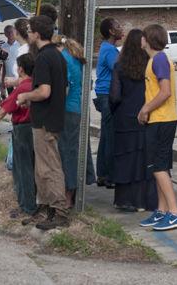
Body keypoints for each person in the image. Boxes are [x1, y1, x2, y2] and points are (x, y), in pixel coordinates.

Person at [17, 15, 68, 231]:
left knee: (50, 168)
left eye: (29, 30)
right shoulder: (56, 55)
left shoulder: (45, 58)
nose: (27, 34)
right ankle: (47, 209)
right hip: (49, 118)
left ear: (37, 34)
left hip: (46, 122)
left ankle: (60, 212)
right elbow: (61, 89)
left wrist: (26, 97)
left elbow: (45, 91)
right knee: (42, 169)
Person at [138, 24, 177, 231]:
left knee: (158, 167)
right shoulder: (155, 60)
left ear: (148, 39)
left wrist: (145, 109)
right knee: (159, 167)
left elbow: (165, 91)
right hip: (161, 119)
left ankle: (175, 212)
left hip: (161, 119)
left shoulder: (158, 59)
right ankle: (162, 210)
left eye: (142, 36)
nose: (141, 40)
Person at [0, 54, 37, 218]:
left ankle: (27, 206)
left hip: (22, 128)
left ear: (20, 69)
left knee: (22, 169)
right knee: (33, 167)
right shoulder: (37, 85)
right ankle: (33, 202)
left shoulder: (23, 88)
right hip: (36, 128)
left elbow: (4, 109)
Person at [109, 29, 157, 212]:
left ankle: (126, 200)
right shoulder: (150, 65)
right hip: (146, 116)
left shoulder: (119, 66)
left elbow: (114, 96)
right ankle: (146, 201)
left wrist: (114, 112)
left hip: (124, 118)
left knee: (125, 159)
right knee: (144, 159)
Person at [52, 35, 95, 208]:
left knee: (67, 153)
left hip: (68, 109)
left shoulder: (63, 58)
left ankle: (68, 193)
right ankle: (78, 185)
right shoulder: (79, 59)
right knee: (79, 150)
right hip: (81, 109)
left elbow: (65, 86)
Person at [95, 17, 124, 188]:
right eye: (118, 26)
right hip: (107, 95)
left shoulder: (108, 48)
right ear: (111, 32)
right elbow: (120, 70)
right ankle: (110, 175)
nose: (121, 28)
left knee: (106, 135)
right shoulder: (110, 50)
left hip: (104, 94)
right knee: (111, 135)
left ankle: (103, 174)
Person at [1, 25, 21, 95]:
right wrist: (2, 79)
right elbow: (4, 64)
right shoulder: (3, 47)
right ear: (5, 34)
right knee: (11, 97)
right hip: (8, 77)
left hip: (18, 77)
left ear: (15, 32)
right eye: (8, 32)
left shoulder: (20, 45)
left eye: (11, 32)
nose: (10, 34)